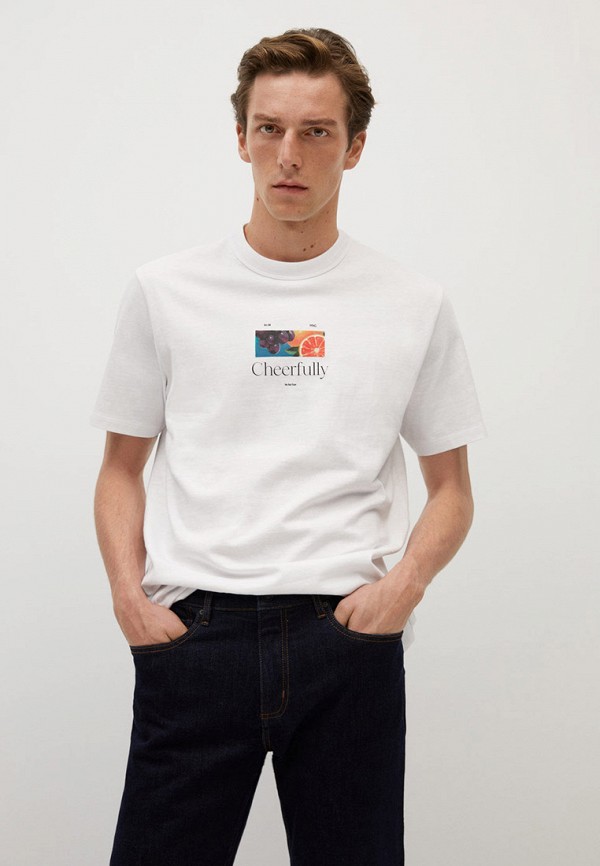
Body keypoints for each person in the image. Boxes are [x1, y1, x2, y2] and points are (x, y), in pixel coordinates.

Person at [91, 27, 486, 866]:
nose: (289, 156)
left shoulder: (411, 303)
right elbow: (121, 468)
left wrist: (401, 591)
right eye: (269, 129)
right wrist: (129, 597)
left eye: (316, 132)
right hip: (195, 637)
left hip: (345, 637)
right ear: (241, 138)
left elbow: (452, 489)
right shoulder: (166, 292)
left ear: (355, 147)